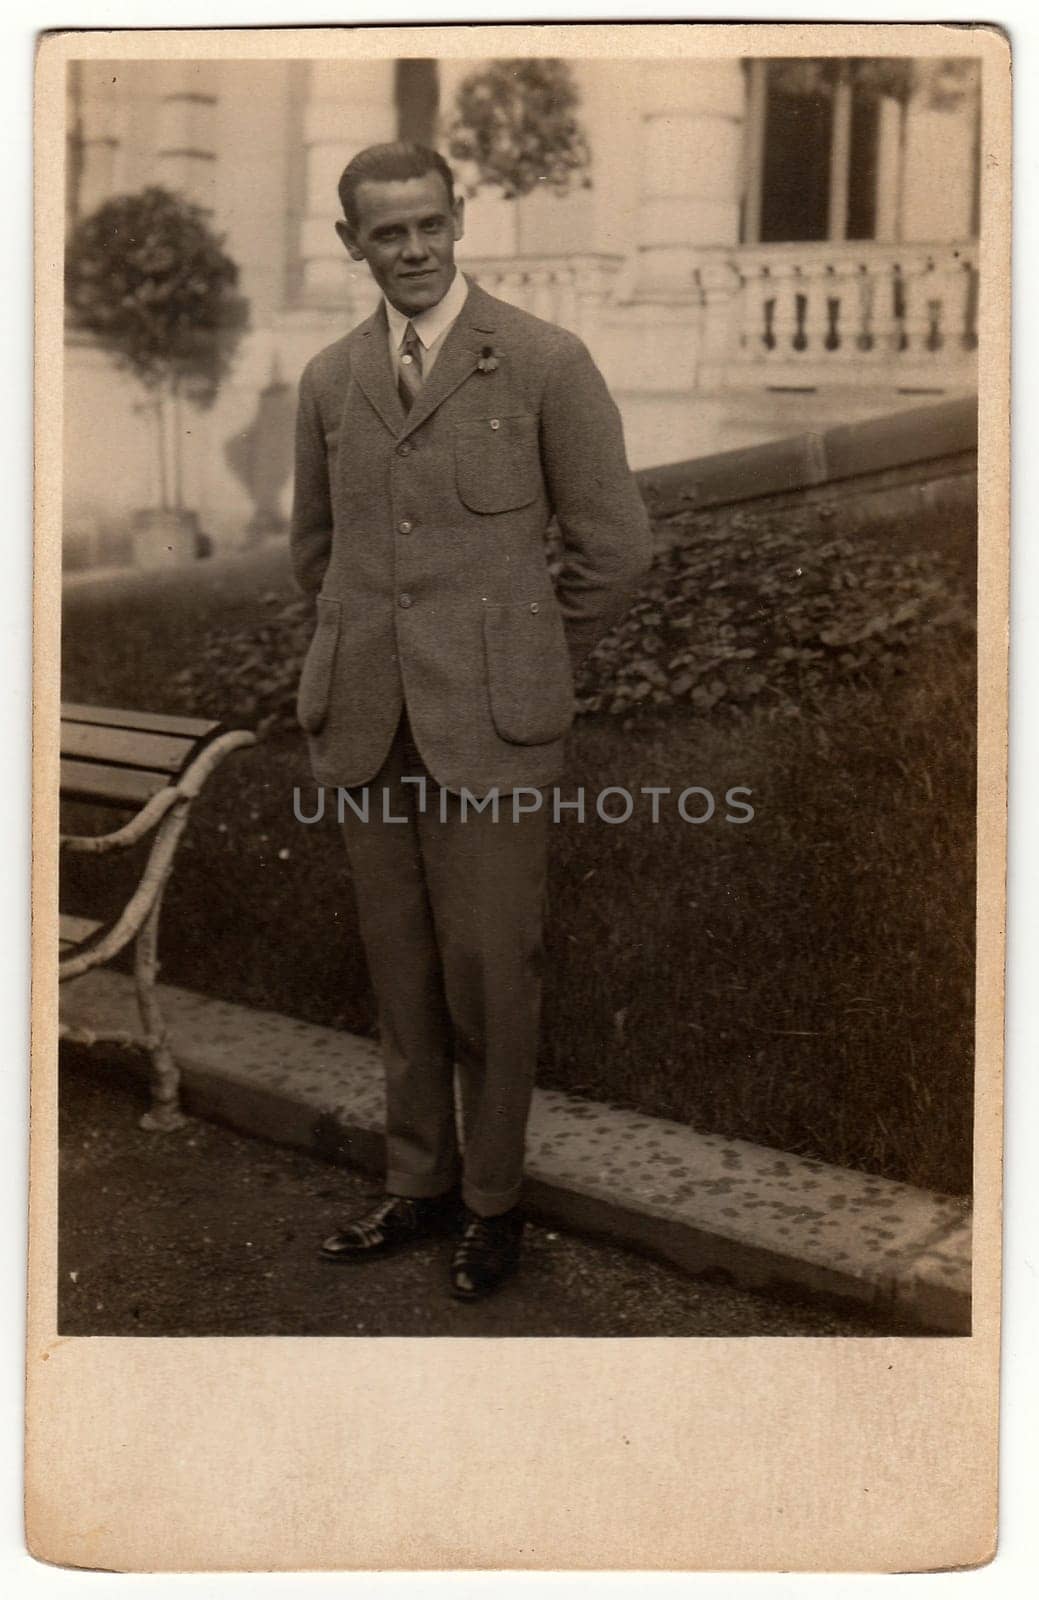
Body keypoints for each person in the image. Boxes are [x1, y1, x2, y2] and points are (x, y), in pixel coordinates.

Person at [290, 141, 652, 1301]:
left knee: (493, 970)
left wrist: (529, 661)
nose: (409, 250)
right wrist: (366, 653)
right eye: (383, 233)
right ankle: (418, 1182)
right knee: (400, 973)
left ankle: (491, 1204)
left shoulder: (543, 359)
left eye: (427, 226)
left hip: (494, 729)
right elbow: (317, 553)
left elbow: (614, 547)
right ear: (351, 243)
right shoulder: (327, 378)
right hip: (367, 722)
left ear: (460, 221)